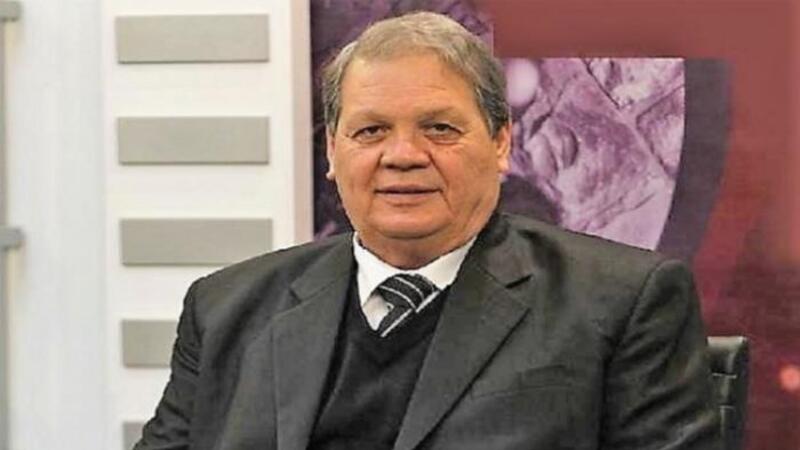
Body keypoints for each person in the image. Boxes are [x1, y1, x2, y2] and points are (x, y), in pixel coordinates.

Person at [134, 11, 720, 450]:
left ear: (500, 143)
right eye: (370, 131)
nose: (403, 155)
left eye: (439, 128)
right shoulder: (226, 310)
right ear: (333, 152)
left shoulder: (622, 304)